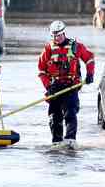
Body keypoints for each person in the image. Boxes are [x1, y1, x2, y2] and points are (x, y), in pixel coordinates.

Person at [38, 20, 95, 149]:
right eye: (53, 36)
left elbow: (89, 58)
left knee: (70, 112)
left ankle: (70, 139)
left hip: (71, 85)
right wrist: (48, 86)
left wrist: (90, 74)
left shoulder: (76, 46)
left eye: (58, 35)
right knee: (54, 116)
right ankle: (56, 141)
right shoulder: (48, 49)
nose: (56, 38)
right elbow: (41, 71)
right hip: (54, 87)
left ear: (64, 33)